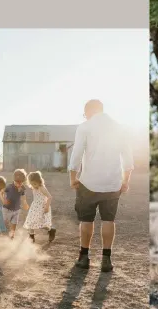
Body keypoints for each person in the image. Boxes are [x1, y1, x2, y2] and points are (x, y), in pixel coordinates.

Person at [68, 99, 133, 273]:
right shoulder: (119, 127)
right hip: (112, 183)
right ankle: (106, 260)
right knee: (108, 220)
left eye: (85, 114)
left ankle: (83, 257)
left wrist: (73, 177)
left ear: (88, 111)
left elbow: (76, 154)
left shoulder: (85, 127)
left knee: (86, 220)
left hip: (89, 182)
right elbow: (128, 158)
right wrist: (126, 180)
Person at [24, 170, 56, 245]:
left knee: (43, 224)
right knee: (31, 221)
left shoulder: (42, 188)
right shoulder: (33, 187)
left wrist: (47, 207)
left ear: (39, 181)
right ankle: (31, 237)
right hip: (34, 206)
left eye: (35, 183)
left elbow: (50, 197)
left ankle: (51, 230)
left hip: (42, 207)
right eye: (32, 184)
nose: (34, 185)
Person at [2, 168, 29, 239]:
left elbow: (23, 197)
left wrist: (25, 204)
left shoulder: (22, 188)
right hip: (7, 209)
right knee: (4, 223)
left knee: (14, 224)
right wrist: (4, 200)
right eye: (17, 182)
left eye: (21, 182)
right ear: (14, 180)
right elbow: (1, 192)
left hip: (17, 210)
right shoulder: (9, 187)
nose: (19, 184)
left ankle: (11, 237)